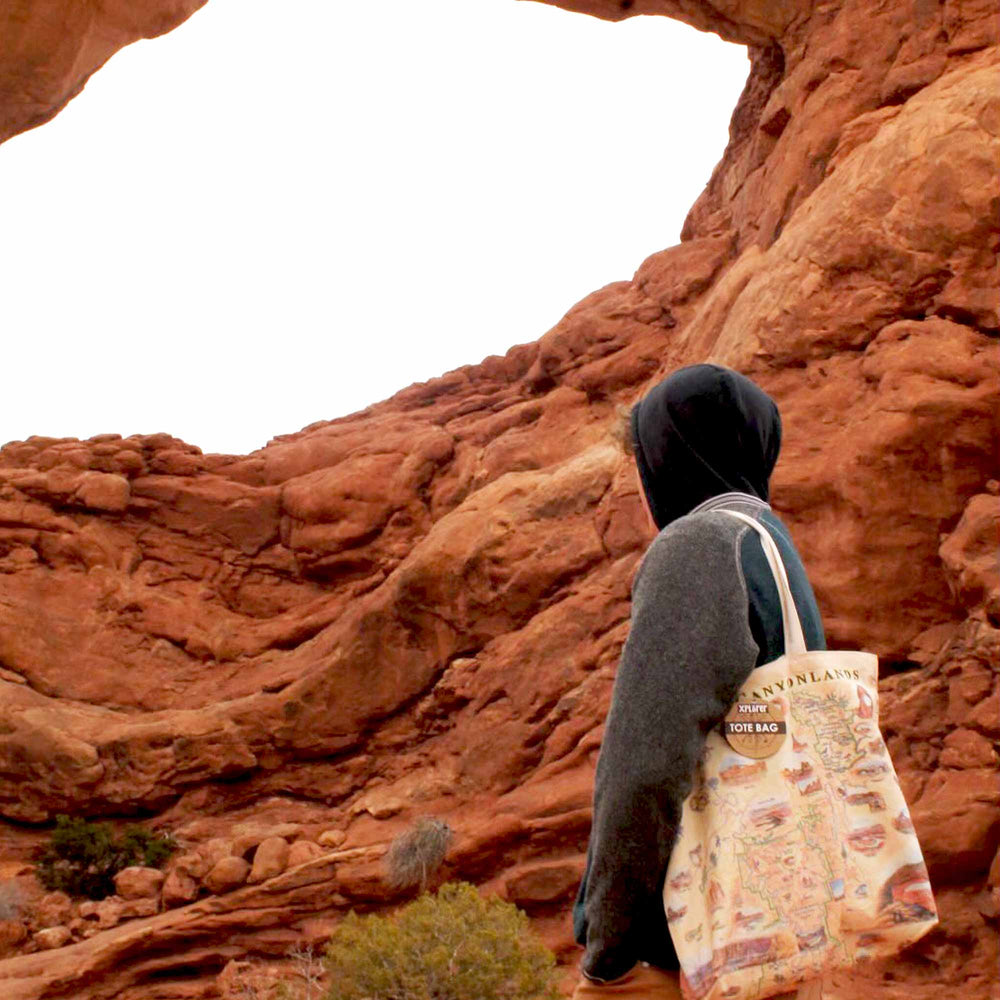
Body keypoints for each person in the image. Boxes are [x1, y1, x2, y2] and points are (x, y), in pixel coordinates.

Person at [572, 363, 827, 999]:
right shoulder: (771, 544)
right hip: (772, 929)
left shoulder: (700, 545)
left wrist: (610, 952)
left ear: (667, 458)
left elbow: (644, 765)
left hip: (680, 956)